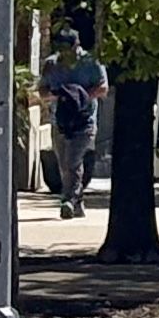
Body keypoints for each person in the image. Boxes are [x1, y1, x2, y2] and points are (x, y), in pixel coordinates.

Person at [39, 29, 108, 221]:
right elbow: (42, 90)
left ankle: (67, 200)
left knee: (73, 161)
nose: (65, 53)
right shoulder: (52, 64)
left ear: (76, 46)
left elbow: (103, 87)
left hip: (84, 121)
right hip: (60, 120)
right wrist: (60, 95)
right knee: (64, 164)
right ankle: (77, 201)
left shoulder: (90, 62)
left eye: (68, 48)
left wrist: (81, 96)